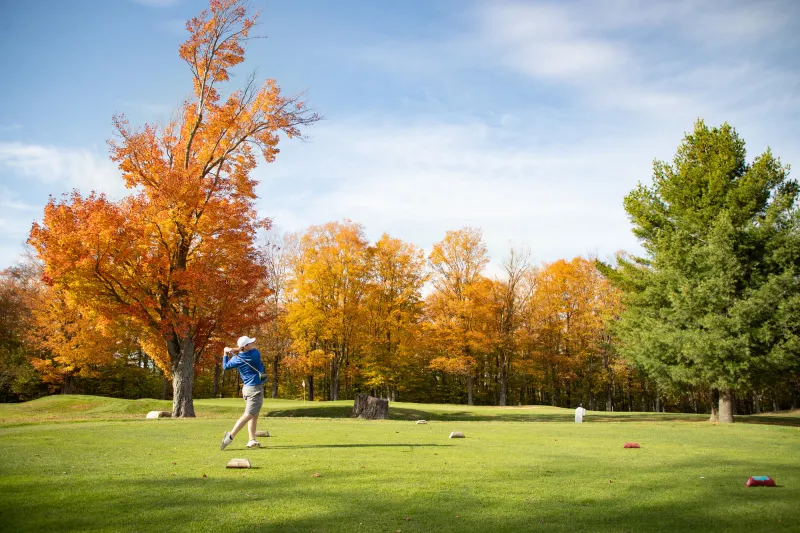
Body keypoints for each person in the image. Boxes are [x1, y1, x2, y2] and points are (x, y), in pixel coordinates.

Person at [220, 335, 267, 450]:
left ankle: (251, 440)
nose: (253, 344)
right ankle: (230, 436)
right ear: (245, 346)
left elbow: (225, 367)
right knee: (249, 414)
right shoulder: (255, 354)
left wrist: (226, 353)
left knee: (254, 415)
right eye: (250, 343)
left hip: (246, 389)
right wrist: (232, 349)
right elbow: (244, 350)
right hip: (255, 389)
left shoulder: (237, 359)